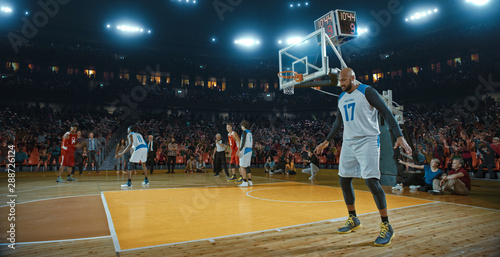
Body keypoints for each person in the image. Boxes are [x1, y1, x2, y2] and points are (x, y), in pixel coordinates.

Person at [315, 68, 412, 247]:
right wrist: (327, 141)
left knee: (371, 182)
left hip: (368, 141)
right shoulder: (341, 97)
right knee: (344, 180)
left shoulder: (367, 91)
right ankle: (353, 219)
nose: (341, 84)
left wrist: (399, 135)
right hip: (349, 143)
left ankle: (386, 225)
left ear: (353, 78)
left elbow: (386, 112)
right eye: (339, 81)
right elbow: (339, 122)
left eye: (344, 80)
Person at [237, 120, 253, 187]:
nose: (241, 126)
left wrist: (239, 150)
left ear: (243, 126)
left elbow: (243, 142)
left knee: (242, 166)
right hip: (250, 150)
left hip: (245, 150)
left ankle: (244, 181)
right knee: (247, 166)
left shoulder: (244, 132)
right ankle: (250, 181)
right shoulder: (250, 132)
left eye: (241, 125)